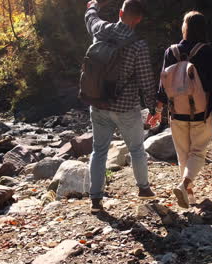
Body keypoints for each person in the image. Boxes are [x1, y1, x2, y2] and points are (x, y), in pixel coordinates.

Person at [85, 0, 158, 213]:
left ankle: (96, 199)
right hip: (126, 107)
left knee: (99, 151)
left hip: (98, 102)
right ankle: (143, 188)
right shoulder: (138, 45)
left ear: (120, 13)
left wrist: (93, 5)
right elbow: (146, 82)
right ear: (139, 19)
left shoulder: (101, 30)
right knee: (136, 149)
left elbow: (90, 18)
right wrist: (154, 109)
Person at [148, 11, 212, 208]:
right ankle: (184, 185)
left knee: (183, 154)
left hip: (176, 112)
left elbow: (162, 85)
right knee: (197, 153)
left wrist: (158, 111)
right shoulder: (208, 52)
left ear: (186, 28)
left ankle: (189, 198)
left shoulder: (170, 52)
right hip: (201, 112)